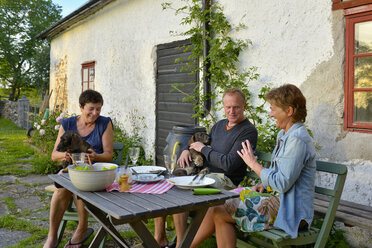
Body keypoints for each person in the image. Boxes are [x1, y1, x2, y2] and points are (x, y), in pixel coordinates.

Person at [189, 84, 316, 248]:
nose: (270, 114)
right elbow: (283, 174)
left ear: (289, 111)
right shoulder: (285, 134)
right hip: (279, 201)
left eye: (273, 109)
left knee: (219, 209)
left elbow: (282, 183)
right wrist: (263, 184)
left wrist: (254, 164)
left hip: (291, 211)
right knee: (218, 206)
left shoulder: (297, 139)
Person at [154, 88, 258, 248]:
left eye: (236, 107)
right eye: (228, 107)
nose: (232, 111)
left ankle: (181, 245)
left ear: (244, 106)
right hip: (205, 175)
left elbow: (229, 164)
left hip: (225, 180)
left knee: (183, 190)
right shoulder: (219, 125)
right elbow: (202, 143)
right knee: (168, 183)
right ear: (223, 106)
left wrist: (203, 149)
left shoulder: (247, 131)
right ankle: (160, 238)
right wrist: (187, 150)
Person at [43, 90, 113, 248]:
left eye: (98, 109)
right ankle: (52, 238)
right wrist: (65, 156)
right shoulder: (67, 124)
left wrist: (96, 156)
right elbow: (54, 155)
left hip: (93, 172)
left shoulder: (104, 123)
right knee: (62, 187)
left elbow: (108, 155)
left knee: (76, 183)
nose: (95, 113)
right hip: (71, 171)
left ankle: (81, 229)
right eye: (91, 108)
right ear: (81, 107)